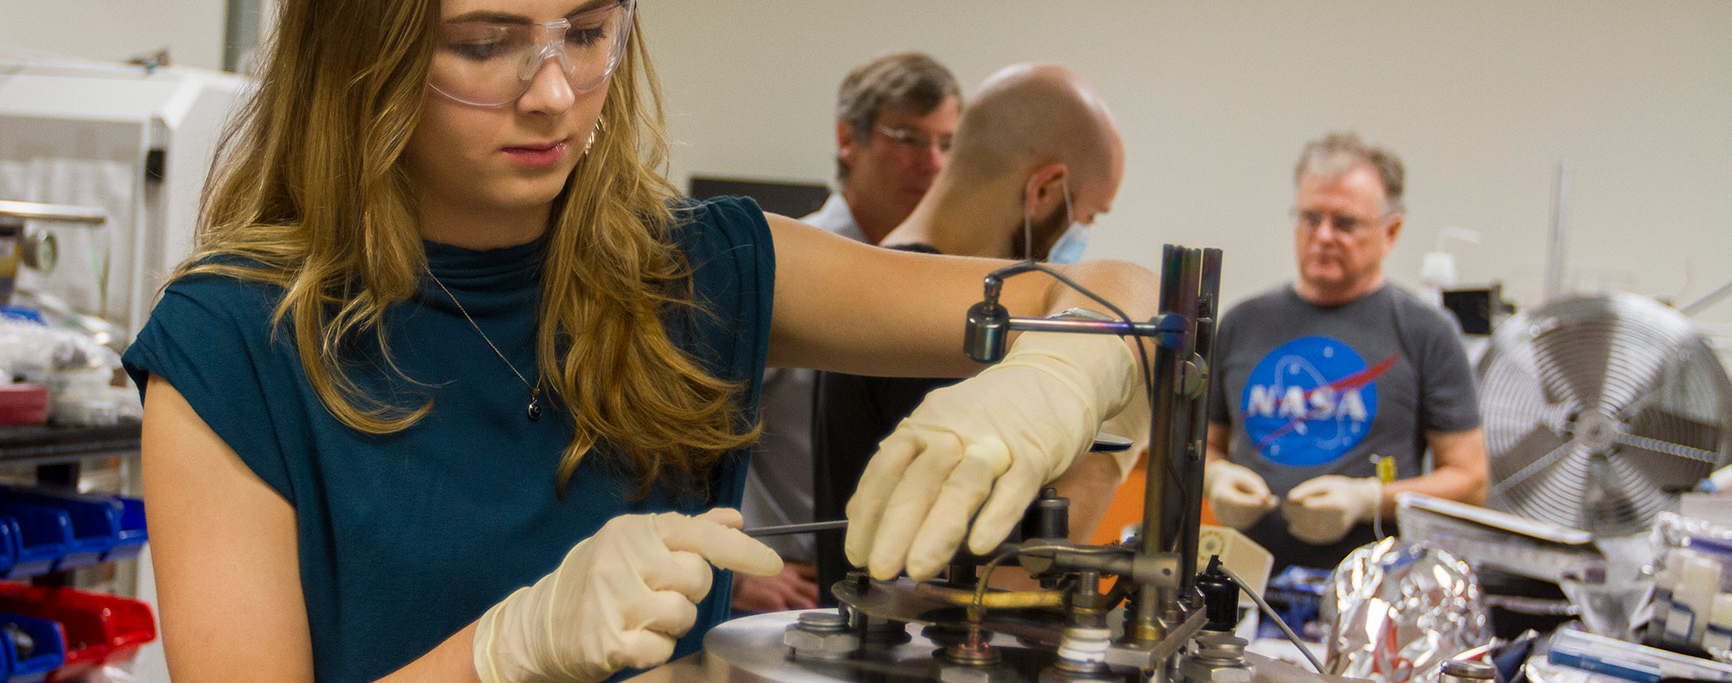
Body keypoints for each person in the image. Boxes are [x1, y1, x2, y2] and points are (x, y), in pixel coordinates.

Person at [130, 1, 1155, 681]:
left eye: (585, 30)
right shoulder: (233, 344)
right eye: (485, 42)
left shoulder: (702, 270)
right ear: (359, 50)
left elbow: (1129, 294)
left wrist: (1064, 368)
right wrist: (503, 647)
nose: (552, 91)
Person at [812, 63, 1143, 602]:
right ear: (1045, 189)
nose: (1083, 237)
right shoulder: (945, 317)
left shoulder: (898, 276)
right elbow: (1001, 588)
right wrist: (1113, 456)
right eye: (1089, 216)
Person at [735, 51, 962, 613]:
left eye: (947, 143)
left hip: (886, 595)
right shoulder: (781, 267)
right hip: (783, 596)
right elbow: (676, 431)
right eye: (909, 137)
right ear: (847, 139)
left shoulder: (936, 277)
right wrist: (734, 574)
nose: (932, 162)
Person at [1203, 132, 1488, 571]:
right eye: (1310, 217)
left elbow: (1470, 481)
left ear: (1391, 231)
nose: (1323, 236)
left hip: (1370, 590)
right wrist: (1214, 475)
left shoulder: (1425, 331)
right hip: (1243, 583)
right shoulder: (1242, 323)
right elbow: (1202, 445)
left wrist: (1370, 499)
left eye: (1346, 223)